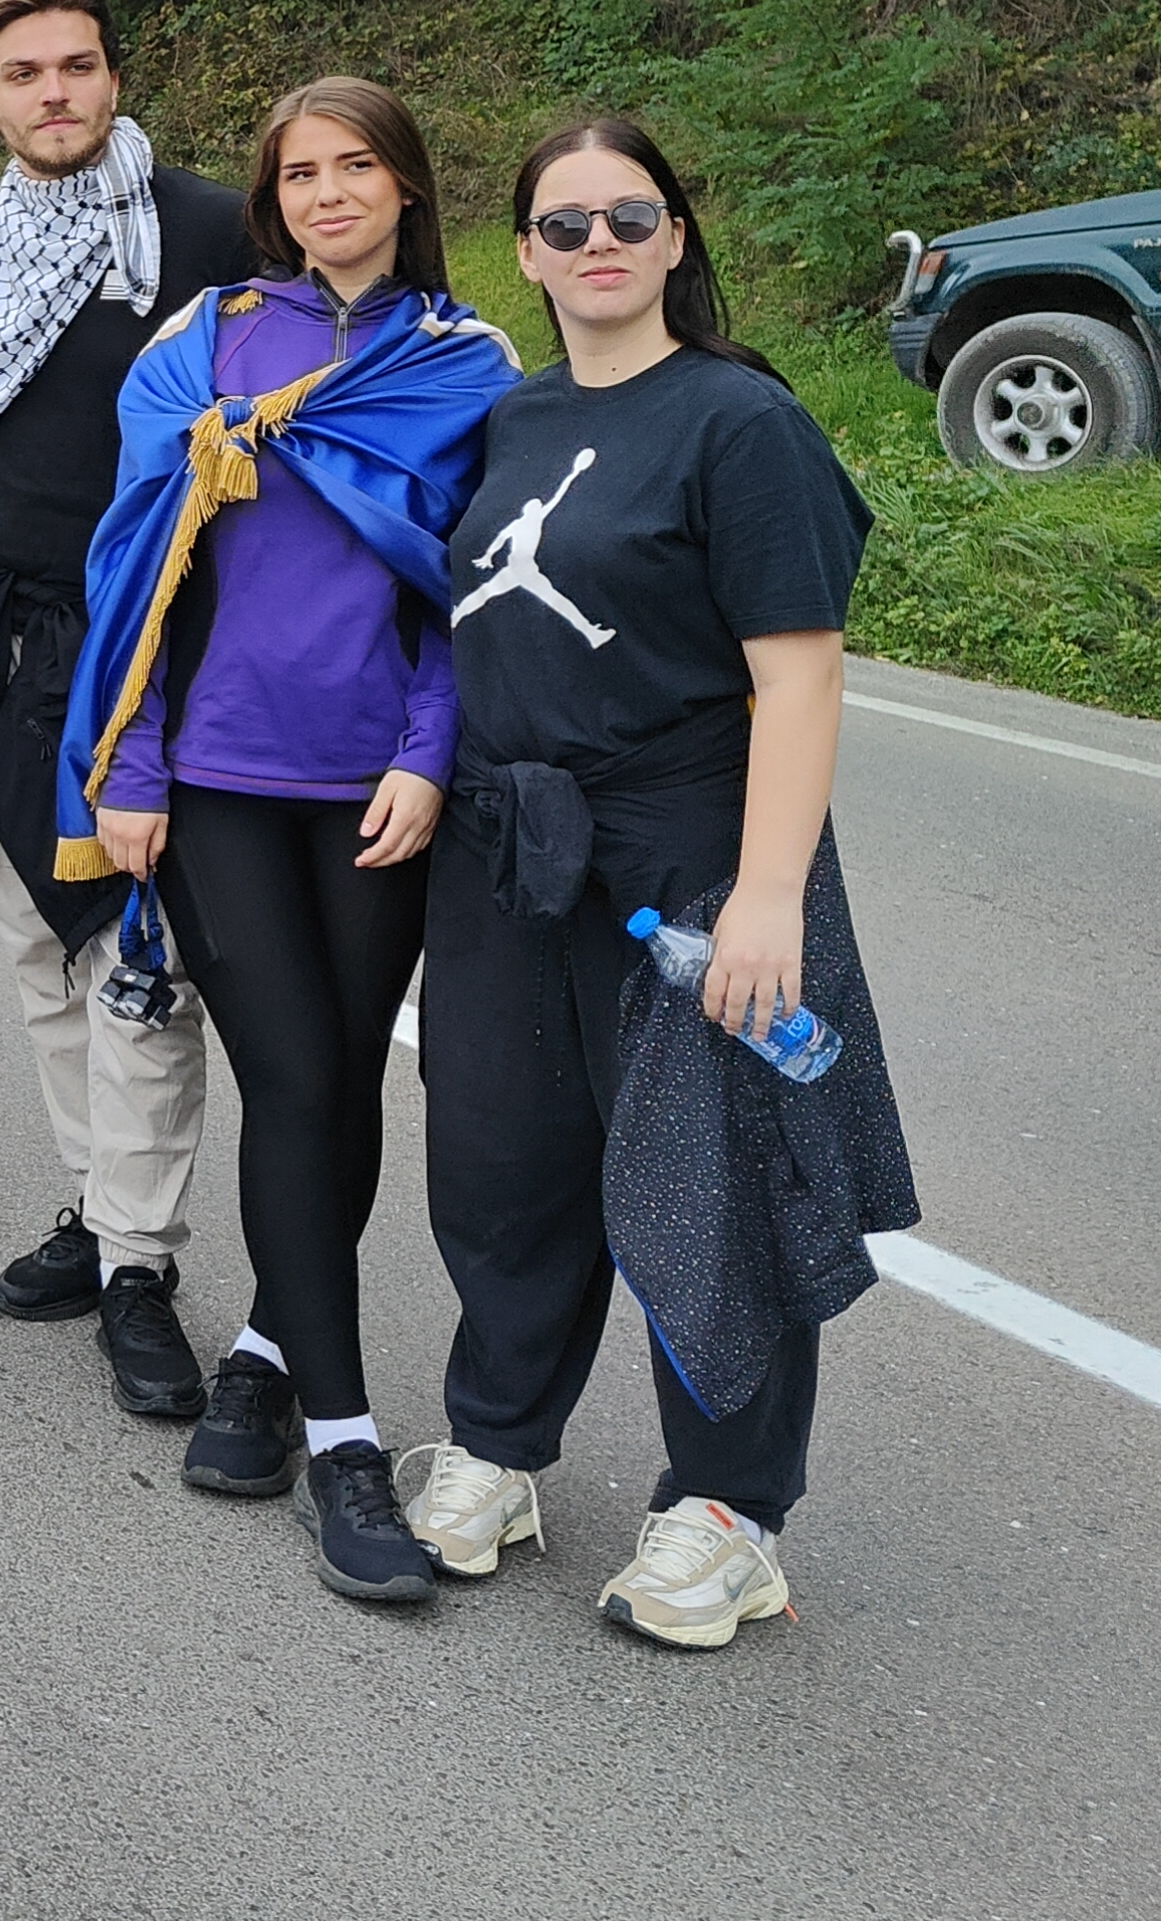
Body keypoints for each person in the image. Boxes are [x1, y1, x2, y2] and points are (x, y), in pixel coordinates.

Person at [407, 120, 910, 1650]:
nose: (599, 241)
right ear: (526, 256)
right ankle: (498, 1446)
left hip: (691, 848)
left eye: (632, 213)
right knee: (502, 1158)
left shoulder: (737, 422)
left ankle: (728, 1508)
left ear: (679, 237)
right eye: (565, 224)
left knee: (712, 1174)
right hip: (513, 845)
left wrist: (766, 894)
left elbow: (802, 677)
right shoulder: (512, 417)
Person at [55, 80, 521, 1600]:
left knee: (336, 1082)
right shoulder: (202, 344)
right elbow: (136, 572)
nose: (328, 193)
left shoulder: (468, 364)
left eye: (358, 167)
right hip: (217, 779)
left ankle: (263, 1347)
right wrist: (124, 767)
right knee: (299, 1075)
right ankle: (344, 1439)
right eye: (301, 172)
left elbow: (472, 590)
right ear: (272, 194)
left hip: (377, 782)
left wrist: (433, 753)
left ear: (406, 185)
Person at [0, 0, 244, 1420]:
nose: (54, 93)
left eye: (78, 68)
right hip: (8, 633)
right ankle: (99, 1214)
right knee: (40, 952)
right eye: (24, 74)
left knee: (132, 962)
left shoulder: (214, 229)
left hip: (149, 644)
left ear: (113, 80)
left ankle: (144, 1269)